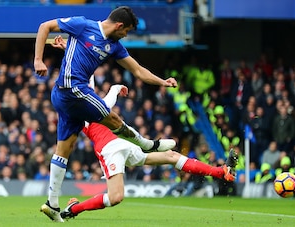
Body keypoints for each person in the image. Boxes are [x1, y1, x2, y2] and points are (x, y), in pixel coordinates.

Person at [34, 6, 178, 222]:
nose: (126, 35)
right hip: (71, 89)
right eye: (126, 31)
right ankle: (147, 144)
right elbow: (45, 26)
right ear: (119, 25)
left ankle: (52, 203)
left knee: (64, 148)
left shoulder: (114, 46)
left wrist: (162, 82)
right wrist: (38, 59)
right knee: (113, 118)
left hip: (68, 98)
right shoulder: (82, 25)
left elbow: (138, 70)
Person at [59, 83, 238, 220]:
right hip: (109, 149)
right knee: (116, 197)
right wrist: (114, 89)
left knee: (171, 155)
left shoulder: (88, 104)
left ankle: (221, 172)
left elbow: (86, 81)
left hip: (125, 144)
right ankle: (73, 209)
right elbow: (100, 96)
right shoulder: (79, 115)